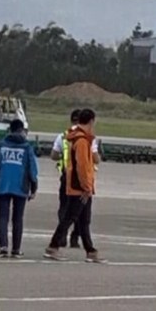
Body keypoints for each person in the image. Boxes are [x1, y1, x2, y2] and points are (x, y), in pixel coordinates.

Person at [44, 108, 104, 263]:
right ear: (91, 121)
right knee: (70, 217)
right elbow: (82, 166)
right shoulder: (82, 141)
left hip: (78, 185)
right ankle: (53, 246)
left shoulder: (77, 137)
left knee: (84, 220)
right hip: (79, 187)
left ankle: (90, 250)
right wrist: (86, 187)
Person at [0, 119, 38, 257]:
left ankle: (3, 247)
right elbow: (32, 169)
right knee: (18, 218)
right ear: (22, 130)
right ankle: (16, 249)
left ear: (10, 129)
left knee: (3, 217)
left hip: (2, 184)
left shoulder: (1, 144)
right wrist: (34, 187)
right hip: (20, 186)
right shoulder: (27, 147)